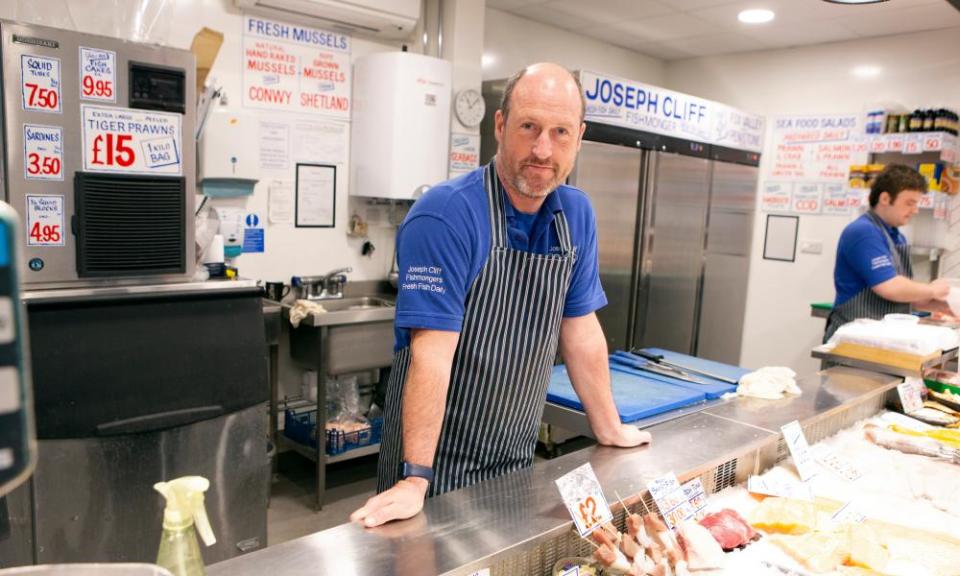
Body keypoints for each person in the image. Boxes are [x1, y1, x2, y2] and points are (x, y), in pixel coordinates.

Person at [350, 63, 651, 528]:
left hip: (514, 454)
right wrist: (413, 479)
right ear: (500, 125)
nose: (543, 149)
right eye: (529, 127)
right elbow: (432, 353)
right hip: (434, 465)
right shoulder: (447, 214)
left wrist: (608, 427)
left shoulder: (576, 214)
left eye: (560, 132)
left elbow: (581, 328)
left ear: (579, 137)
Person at [825, 164, 951, 342]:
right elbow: (889, 287)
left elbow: (905, 296)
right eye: (909, 203)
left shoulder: (896, 237)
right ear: (885, 198)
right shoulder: (864, 232)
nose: (915, 210)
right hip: (854, 339)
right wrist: (932, 290)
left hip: (881, 338)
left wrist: (943, 306)